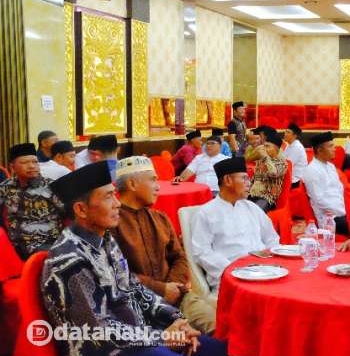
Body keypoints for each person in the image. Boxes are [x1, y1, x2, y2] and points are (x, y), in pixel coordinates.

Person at [43, 161, 228, 356]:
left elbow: (134, 288)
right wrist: (162, 338)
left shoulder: (104, 240)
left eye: (114, 195)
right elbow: (100, 331)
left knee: (214, 351)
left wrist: (176, 319)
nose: (117, 203)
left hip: (133, 340)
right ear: (81, 209)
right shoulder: (70, 260)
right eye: (108, 197)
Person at [112, 156, 216, 334]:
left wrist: (171, 287)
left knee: (220, 327)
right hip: (138, 304)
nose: (158, 186)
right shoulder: (112, 224)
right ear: (132, 184)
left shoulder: (159, 218)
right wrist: (161, 290)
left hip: (178, 297)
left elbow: (180, 257)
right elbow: (117, 273)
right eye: (153, 180)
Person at [191, 157, 280, 291]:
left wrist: (271, 262)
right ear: (228, 180)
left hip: (264, 270)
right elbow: (201, 252)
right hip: (231, 277)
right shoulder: (206, 213)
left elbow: (272, 238)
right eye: (244, 178)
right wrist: (233, 269)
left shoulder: (252, 208)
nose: (249, 183)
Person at [0, 143, 64, 259]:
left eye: (35, 162)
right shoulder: (6, 187)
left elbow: (70, 214)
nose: (32, 166)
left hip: (45, 244)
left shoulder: (52, 186)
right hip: (14, 245)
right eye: (25, 163)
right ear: (12, 167)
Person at [302, 132, 350, 237]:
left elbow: (340, 190)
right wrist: (343, 211)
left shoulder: (331, 167)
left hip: (342, 212)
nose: (334, 149)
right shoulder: (311, 170)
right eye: (330, 146)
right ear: (319, 150)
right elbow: (320, 201)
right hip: (329, 219)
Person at [248, 130, 288, 212]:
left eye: (267, 146)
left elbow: (273, 173)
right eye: (264, 146)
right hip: (252, 195)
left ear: (276, 149)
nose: (264, 149)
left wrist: (266, 157)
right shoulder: (261, 161)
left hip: (267, 198)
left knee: (254, 212)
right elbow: (253, 179)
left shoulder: (282, 163)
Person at [282, 122, 308, 189]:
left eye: (288, 132)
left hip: (296, 180)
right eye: (285, 132)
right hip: (289, 177)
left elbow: (286, 166)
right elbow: (282, 160)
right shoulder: (289, 145)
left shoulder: (297, 147)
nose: (285, 134)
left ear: (294, 136)